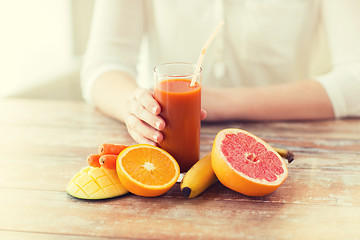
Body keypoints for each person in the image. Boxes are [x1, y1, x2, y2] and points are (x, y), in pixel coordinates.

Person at [81, 0, 360, 146]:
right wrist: (135, 108)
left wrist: (220, 102)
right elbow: (103, 65)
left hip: (286, 147)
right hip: (167, 139)